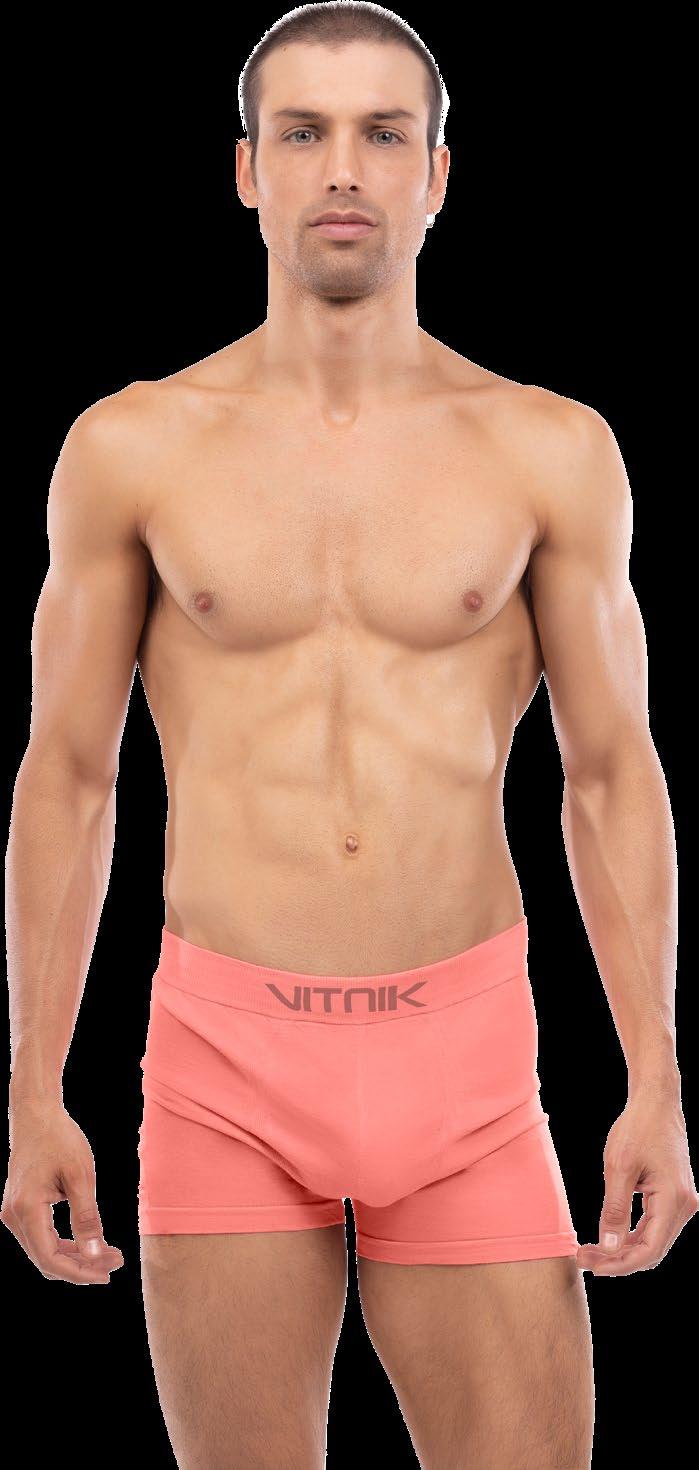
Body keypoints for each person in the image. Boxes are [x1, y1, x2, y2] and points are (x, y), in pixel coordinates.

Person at [4, 5, 697, 1468]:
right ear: (245, 169)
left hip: (467, 1064)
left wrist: (656, 1073)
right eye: (303, 131)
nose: (342, 168)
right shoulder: (133, 446)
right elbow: (68, 776)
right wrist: (32, 1088)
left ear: (436, 174)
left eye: (384, 133)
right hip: (223, 1063)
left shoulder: (546, 448)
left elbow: (610, 771)